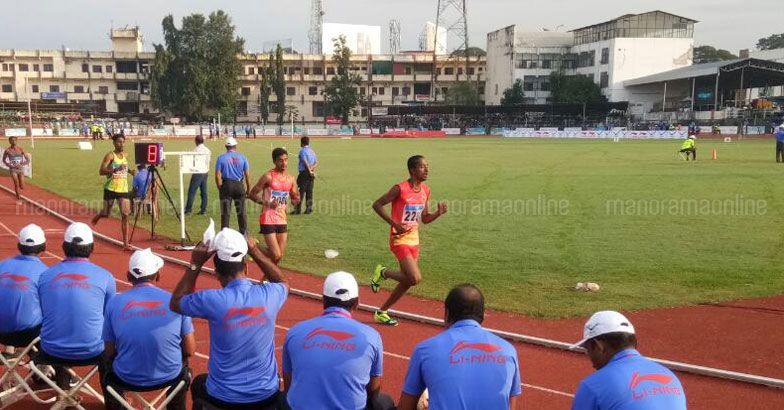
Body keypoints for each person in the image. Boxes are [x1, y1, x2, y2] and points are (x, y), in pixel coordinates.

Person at [170, 228, 288, 410]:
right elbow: (282, 281)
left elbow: (176, 303)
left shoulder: (211, 300)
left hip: (223, 398)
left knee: (199, 383)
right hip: (266, 396)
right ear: (246, 267)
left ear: (216, 273)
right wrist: (255, 251)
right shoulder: (270, 295)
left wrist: (195, 264)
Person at [398, 284, 522, 410]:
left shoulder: (424, 350)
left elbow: (404, 407)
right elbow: (511, 405)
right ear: (483, 315)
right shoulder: (509, 351)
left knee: (383, 403)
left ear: (446, 313)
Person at [282, 271, 393, 410]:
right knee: (384, 402)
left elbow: (289, 383)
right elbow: (374, 390)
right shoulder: (371, 336)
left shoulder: (294, 331)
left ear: (323, 300)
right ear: (356, 303)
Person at [102, 249, 196, 410]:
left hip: (125, 376)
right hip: (170, 376)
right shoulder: (175, 301)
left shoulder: (114, 303)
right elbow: (190, 349)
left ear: (128, 276)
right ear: (157, 275)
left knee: (105, 365)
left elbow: (109, 351)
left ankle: (116, 406)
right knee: (184, 364)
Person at [369, 155, 447, 326]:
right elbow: (377, 204)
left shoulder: (426, 190)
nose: (426, 170)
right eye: (422, 167)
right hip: (399, 240)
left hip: (414, 240)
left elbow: (424, 218)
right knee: (415, 278)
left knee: (408, 281)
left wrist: (438, 213)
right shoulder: (400, 188)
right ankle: (384, 272)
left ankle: (381, 312)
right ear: (412, 170)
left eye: (427, 166)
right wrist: (394, 223)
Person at [37, 222, 116, 391]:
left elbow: (46, 312)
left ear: (64, 246)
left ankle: (63, 392)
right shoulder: (106, 277)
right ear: (92, 247)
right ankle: (112, 398)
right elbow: (110, 319)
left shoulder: (44, 276)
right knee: (113, 341)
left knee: (57, 327)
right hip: (93, 350)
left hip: (51, 350)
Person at [570, 311, 686, 409]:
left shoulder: (592, 385)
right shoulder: (670, 376)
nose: (590, 357)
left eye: (588, 349)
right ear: (635, 343)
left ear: (598, 346)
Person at [249, 148, 300, 265]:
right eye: (280, 160)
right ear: (274, 161)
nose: (284, 163)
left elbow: (295, 198)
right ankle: (250, 246)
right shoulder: (268, 177)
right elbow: (252, 194)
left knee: (278, 257)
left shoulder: (291, 179)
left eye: (286, 160)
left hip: (282, 218)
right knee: (275, 254)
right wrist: (267, 203)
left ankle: (265, 281)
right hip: (268, 218)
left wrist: (296, 199)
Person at [0, 224, 48, 348]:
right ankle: (42, 361)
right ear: (44, 247)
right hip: (27, 336)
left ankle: (9, 352)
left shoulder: (2, 265)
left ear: (19, 246)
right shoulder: (46, 273)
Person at [92, 134, 136, 249]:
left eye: (123, 142)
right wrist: (114, 170)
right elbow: (101, 171)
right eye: (119, 142)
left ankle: (125, 243)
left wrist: (131, 171)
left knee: (125, 214)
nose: (121, 144)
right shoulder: (110, 156)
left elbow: (124, 168)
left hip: (123, 189)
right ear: (114, 143)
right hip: (110, 188)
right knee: (106, 213)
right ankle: (99, 215)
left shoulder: (125, 155)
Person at [215, 137, 250, 234]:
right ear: (236, 146)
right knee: (241, 212)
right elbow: (247, 175)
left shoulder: (221, 158)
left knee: (225, 213)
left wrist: (220, 188)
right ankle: (244, 234)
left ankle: (224, 234)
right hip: (239, 185)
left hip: (226, 185)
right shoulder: (243, 157)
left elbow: (218, 175)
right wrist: (248, 189)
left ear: (226, 146)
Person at [185, 135, 212, 215]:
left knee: (192, 192)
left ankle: (188, 210)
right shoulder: (208, 150)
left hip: (197, 172)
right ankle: (203, 210)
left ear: (196, 141)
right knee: (204, 192)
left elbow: (192, 162)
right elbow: (208, 161)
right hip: (205, 172)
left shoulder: (195, 150)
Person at [293, 136, 318, 215]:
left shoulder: (302, 151)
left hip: (304, 173)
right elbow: (317, 162)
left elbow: (304, 161)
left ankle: (297, 210)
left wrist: (308, 169)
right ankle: (309, 209)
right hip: (311, 173)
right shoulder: (312, 151)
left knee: (300, 191)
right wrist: (311, 169)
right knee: (309, 191)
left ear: (302, 143)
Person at [2, 136, 29, 202]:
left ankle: (20, 191)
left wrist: (22, 164)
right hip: (13, 170)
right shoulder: (7, 150)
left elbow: (28, 160)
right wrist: (9, 165)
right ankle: (19, 199)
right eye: (12, 140)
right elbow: (4, 159)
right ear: (9, 142)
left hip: (20, 169)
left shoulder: (21, 149)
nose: (13, 141)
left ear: (17, 141)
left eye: (14, 140)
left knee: (22, 186)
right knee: (16, 184)